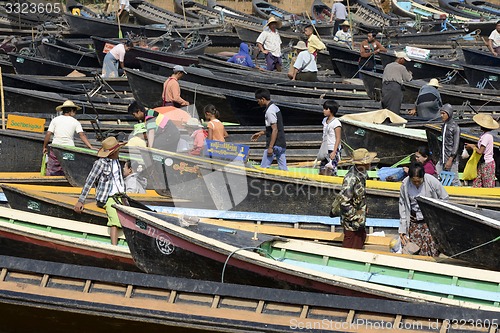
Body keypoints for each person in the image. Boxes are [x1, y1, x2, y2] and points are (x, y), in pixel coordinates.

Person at [74, 137, 127, 246]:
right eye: (117, 151)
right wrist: (81, 200)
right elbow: (90, 181)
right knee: (115, 219)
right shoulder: (100, 163)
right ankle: (114, 246)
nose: (118, 152)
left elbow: (119, 180)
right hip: (107, 197)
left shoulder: (117, 161)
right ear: (113, 152)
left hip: (120, 195)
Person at [399, 162, 449, 256]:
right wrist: (402, 229)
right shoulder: (405, 184)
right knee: (413, 248)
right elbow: (402, 206)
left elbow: (444, 198)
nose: (416, 183)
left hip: (430, 221)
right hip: (414, 222)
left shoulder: (432, 181)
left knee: (432, 248)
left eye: (419, 181)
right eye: (414, 181)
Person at [335, 148, 379, 249]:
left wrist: (364, 207)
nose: (370, 164)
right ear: (362, 164)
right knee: (351, 246)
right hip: (352, 221)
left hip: (359, 217)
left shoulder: (362, 174)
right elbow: (344, 202)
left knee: (360, 239)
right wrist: (355, 217)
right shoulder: (351, 178)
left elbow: (361, 194)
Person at [43, 100, 93, 176]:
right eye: (75, 111)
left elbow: (48, 134)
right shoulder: (75, 122)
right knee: (68, 168)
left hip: (56, 147)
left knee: (53, 169)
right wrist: (90, 146)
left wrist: (44, 146)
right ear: (71, 111)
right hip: (69, 149)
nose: (75, 113)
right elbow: (82, 135)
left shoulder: (55, 120)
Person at [251, 88, 287, 171]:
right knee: (283, 170)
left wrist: (270, 147)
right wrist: (261, 133)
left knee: (263, 168)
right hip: (281, 144)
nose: (258, 102)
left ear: (263, 99)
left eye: (258, 100)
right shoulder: (275, 108)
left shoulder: (269, 111)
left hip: (274, 145)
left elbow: (275, 130)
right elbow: (275, 128)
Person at [465, 114, 499, 188]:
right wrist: (473, 145)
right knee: (477, 183)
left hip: (487, 164)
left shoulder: (487, 136)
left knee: (488, 185)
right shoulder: (484, 136)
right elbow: (481, 146)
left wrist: (472, 147)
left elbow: (480, 151)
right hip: (482, 163)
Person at [436, 104, 460, 186]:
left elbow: (456, 145)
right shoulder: (444, 126)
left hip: (451, 159)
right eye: (441, 113)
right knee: (437, 176)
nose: (441, 115)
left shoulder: (455, 127)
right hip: (442, 157)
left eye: (443, 113)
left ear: (449, 114)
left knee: (454, 180)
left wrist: (450, 159)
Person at [319, 100, 342, 176]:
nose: (324, 111)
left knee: (331, 169)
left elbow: (338, 138)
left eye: (326, 109)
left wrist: (334, 152)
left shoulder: (336, 122)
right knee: (322, 169)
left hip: (332, 148)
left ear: (331, 110)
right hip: (325, 148)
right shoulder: (324, 120)